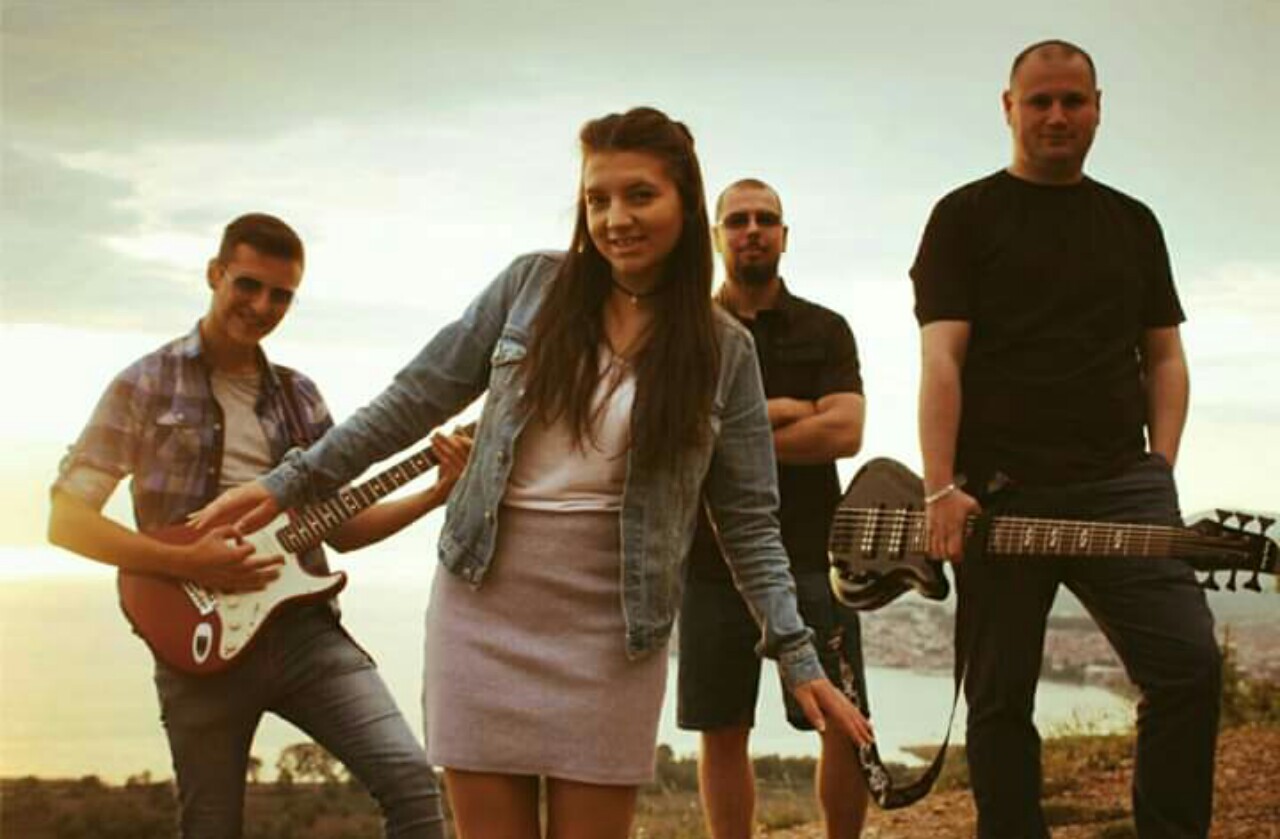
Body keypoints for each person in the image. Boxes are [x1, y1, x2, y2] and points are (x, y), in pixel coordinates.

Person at [193, 108, 874, 839]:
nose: (615, 218)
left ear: (685, 200)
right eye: (597, 198)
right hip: (483, 611)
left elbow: (748, 523)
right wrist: (286, 483)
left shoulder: (723, 349)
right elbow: (410, 400)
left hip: (614, 631)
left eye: (640, 195)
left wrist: (796, 653)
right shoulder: (531, 286)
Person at [48, 213, 468, 839]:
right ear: (214, 275)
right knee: (211, 827)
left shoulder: (301, 397)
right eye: (247, 285)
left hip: (305, 637)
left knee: (411, 780)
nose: (262, 306)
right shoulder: (143, 385)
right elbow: (67, 522)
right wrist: (188, 562)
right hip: (197, 644)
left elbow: (341, 527)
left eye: (281, 295)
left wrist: (435, 494)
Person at [910, 40, 1221, 838]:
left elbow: (1165, 357)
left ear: (1097, 108)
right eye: (1040, 100)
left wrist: (1160, 467)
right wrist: (940, 485)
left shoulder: (1132, 222)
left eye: (1073, 101)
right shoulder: (963, 216)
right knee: (999, 697)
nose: (1057, 115)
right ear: (1009, 107)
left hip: (1122, 485)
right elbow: (942, 360)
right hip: (998, 492)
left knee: (1188, 667)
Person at [678, 178, 870, 838]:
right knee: (721, 727)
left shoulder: (826, 328)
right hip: (710, 563)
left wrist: (730, 437)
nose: (752, 230)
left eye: (766, 219)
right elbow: (678, 441)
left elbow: (845, 431)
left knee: (841, 720)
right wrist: (787, 411)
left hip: (818, 556)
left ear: (785, 236)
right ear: (716, 237)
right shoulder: (686, 334)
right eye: (737, 220)